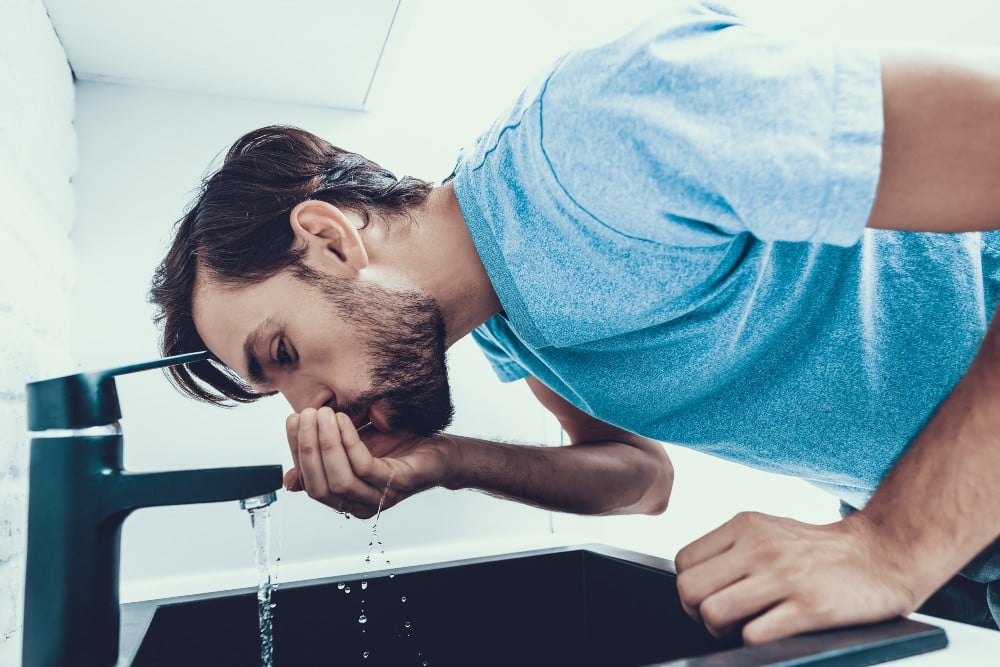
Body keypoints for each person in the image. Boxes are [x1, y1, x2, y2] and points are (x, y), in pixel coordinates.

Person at [149, 0, 1000, 645]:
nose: (308, 410)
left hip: (927, 526)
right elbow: (642, 478)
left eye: (283, 352)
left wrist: (894, 542)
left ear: (331, 240)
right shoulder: (502, 321)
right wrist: (444, 462)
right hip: (961, 536)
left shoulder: (604, 131)